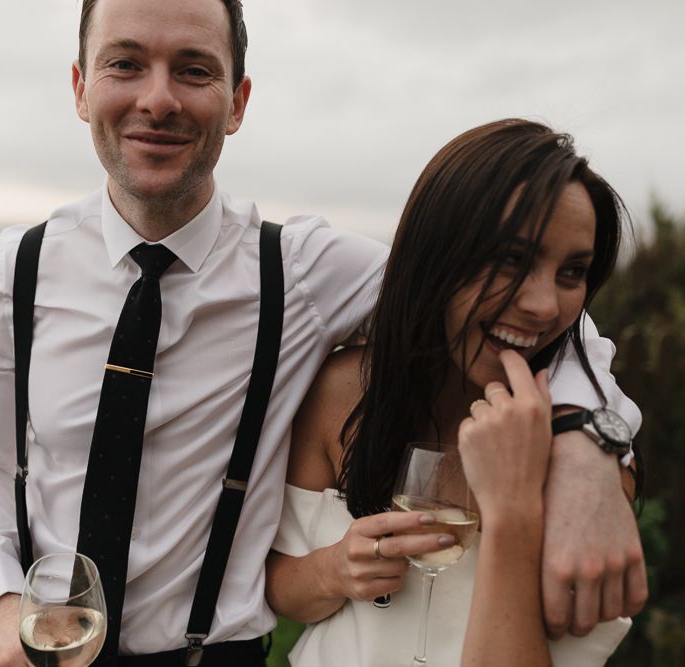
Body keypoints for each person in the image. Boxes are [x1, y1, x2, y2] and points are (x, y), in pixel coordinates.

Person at [0, 0, 644, 664]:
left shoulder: (304, 271)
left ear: (237, 102)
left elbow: (509, 313)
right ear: (80, 88)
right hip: (48, 652)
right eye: (125, 64)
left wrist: (589, 445)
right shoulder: (17, 268)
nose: (158, 99)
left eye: (194, 69)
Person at [266, 119, 644, 666]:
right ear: (435, 252)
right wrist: (334, 569)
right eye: (512, 259)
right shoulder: (343, 392)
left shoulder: (586, 465)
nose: (543, 305)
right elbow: (285, 587)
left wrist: (513, 510)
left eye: (573, 271)